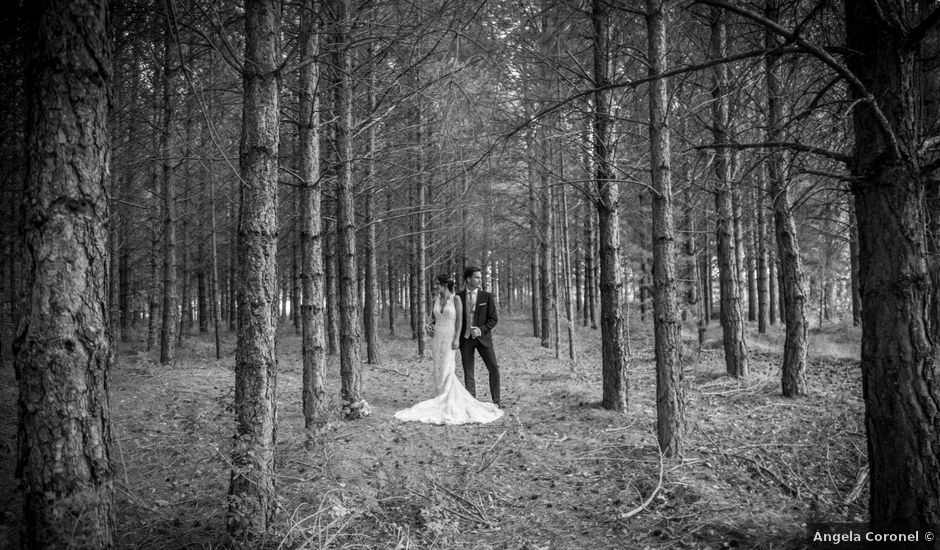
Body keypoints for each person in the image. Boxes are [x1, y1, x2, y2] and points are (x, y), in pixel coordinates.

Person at [394, 274, 504, 425]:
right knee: (445, 369)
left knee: (458, 368)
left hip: (463, 338)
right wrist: (429, 326)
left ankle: (489, 400)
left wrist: (465, 335)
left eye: (437, 284)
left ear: (444, 284)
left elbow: (466, 320)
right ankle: (445, 397)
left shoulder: (466, 298)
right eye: (434, 285)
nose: (435, 287)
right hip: (442, 339)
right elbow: (434, 319)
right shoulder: (445, 298)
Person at [457, 266, 502, 408]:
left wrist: (481, 330)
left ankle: (496, 401)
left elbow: (493, 319)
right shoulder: (458, 297)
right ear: (468, 279)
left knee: (493, 368)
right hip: (465, 339)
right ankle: (472, 402)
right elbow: (451, 316)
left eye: (480, 277)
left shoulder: (486, 296)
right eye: (477, 277)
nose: (479, 280)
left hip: (484, 339)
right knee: (468, 372)